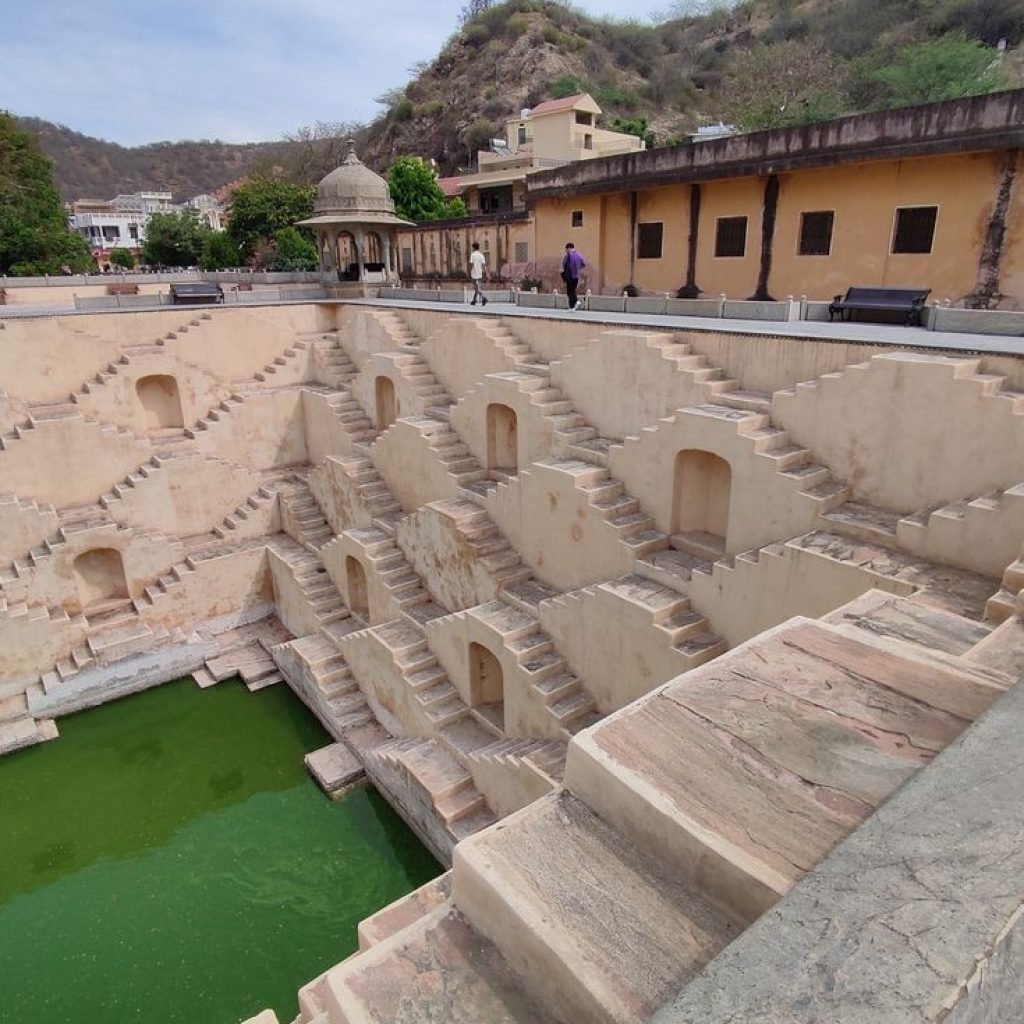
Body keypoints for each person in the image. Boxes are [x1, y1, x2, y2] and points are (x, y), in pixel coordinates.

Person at [562, 242, 586, 311]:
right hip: (576, 276)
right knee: (573, 290)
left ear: (569, 248)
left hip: (570, 275)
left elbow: (564, 263)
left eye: (566, 249)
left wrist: (565, 272)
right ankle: (572, 307)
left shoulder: (568, 254)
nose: (566, 251)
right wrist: (578, 268)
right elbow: (584, 263)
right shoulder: (578, 255)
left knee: (570, 291)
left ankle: (575, 302)